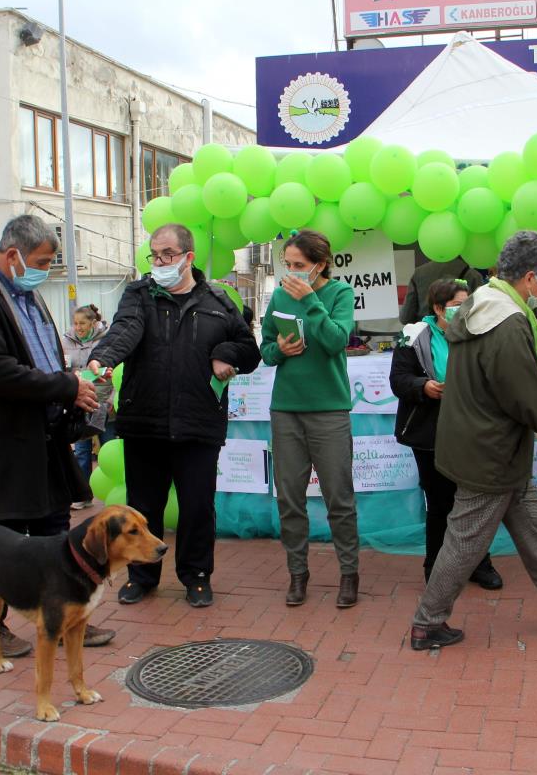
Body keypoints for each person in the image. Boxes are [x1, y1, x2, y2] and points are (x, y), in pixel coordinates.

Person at [409, 232, 537, 651]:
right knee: (464, 541)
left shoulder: (483, 304)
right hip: (491, 452)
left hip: (489, 446)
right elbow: (523, 393)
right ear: (531, 277)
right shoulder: (509, 321)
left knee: (532, 526)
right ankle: (427, 623)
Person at [0, 214, 113, 655]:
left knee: (53, 538)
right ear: (11, 256)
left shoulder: (30, 297)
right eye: (41, 261)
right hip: (5, 443)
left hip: (44, 438)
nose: (46, 269)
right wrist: (66, 385)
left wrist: (72, 388)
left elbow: (46, 360)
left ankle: (60, 620)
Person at [88, 223, 260, 608]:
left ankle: (196, 576)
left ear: (188, 257)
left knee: (198, 507)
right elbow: (125, 331)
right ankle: (141, 577)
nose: (160, 262)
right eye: (155, 255)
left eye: (167, 254)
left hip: (198, 424)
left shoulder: (218, 300)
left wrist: (226, 354)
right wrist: (102, 358)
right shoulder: (139, 295)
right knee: (143, 506)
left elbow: (250, 349)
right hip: (144, 422)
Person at [260, 229, 360, 609]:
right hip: (286, 409)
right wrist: (280, 349)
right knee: (289, 498)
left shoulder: (339, 294)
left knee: (339, 498)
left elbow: (337, 340)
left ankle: (349, 574)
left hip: (330, 411)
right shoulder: (280, 295)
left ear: (320, 264)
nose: (292, 273)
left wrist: (313, 302)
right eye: (287, 265)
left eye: (299, 266)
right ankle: (297, 574)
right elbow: (265, 350)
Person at [390, 278, 503, 588]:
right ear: (438, 308)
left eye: (468, 304)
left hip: (472, 429)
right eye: (457, 305)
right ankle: (436, 566)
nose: (464, 310)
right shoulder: (411, 335)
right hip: (431, 432)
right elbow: (398, 379)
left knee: (474, 500)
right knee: (440, 503)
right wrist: (423, 387)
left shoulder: (478, 332)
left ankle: (480, 562)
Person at [62, 305, 116, 480]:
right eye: (75, 323)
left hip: (105, 404)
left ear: (93, 323)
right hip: (80, 404)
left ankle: (115, 493)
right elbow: (63, 369)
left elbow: (118, 371)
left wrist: (112, 400)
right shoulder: (65, 342)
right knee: (82, 451)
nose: (78, 327)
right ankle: (83, 493)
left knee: (109, 448)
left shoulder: (108, 340)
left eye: (82, 323)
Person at [399, 257, 485, 325]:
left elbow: (405, 317)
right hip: (461, 338)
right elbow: (482, 316)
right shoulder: (473, 276)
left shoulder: (419, 273)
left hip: (426, 339)